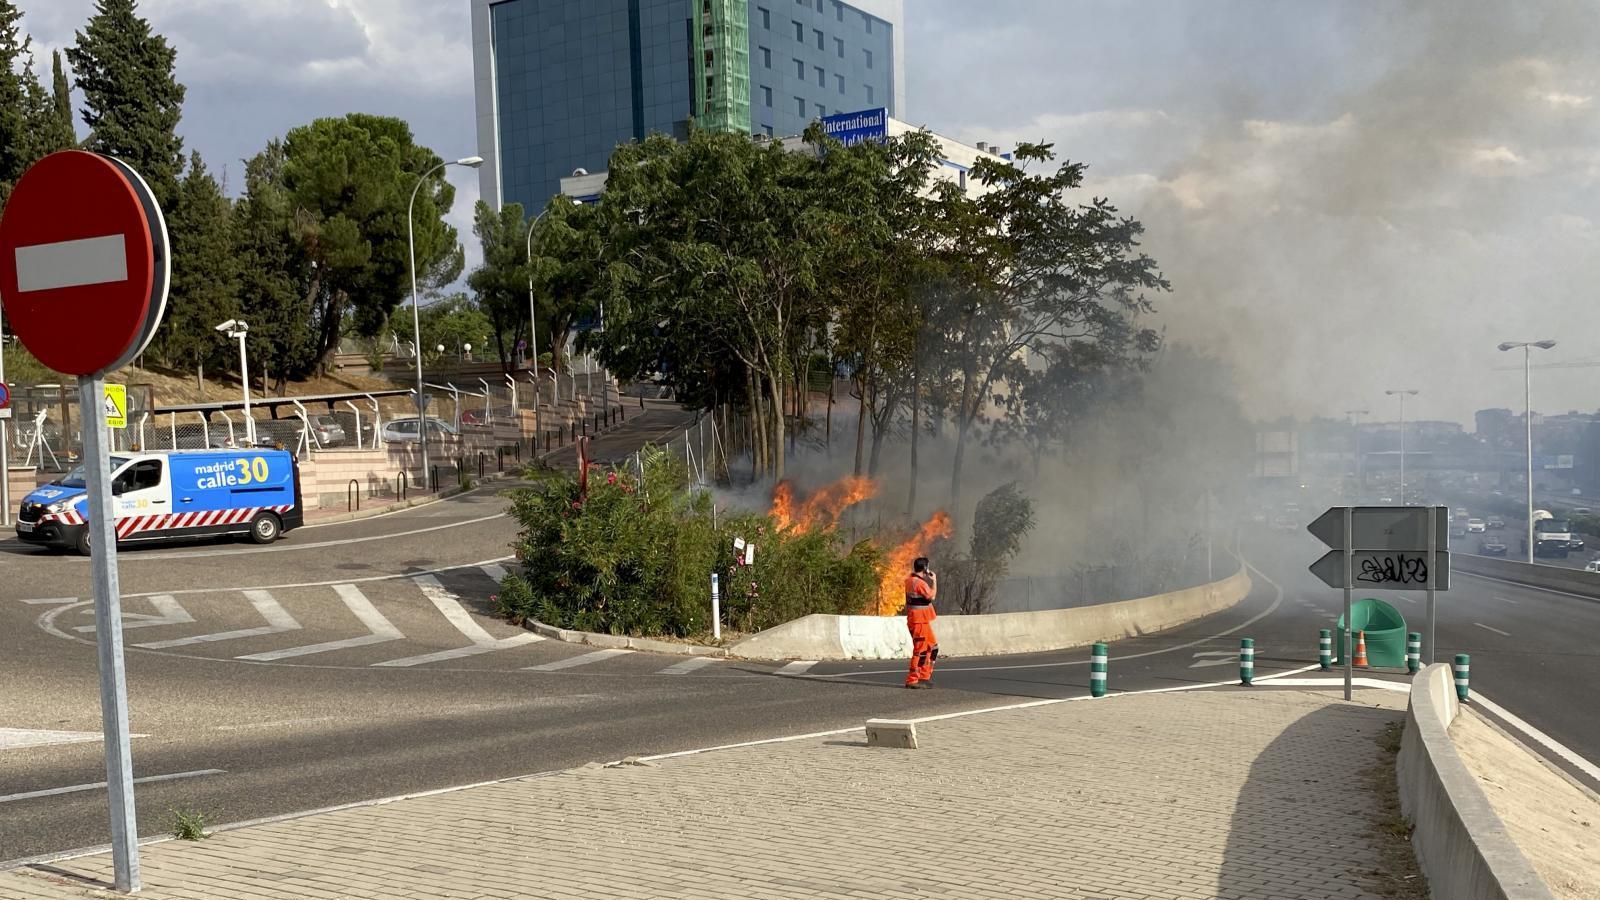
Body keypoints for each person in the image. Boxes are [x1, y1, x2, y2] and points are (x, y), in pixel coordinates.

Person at [904, 557, 938, 689]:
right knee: (920, 651)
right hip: (918, 621)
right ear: (925, 568)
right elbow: (932, 596)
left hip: (921, 620)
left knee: (933, 647)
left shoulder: (910, 580)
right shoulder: (919, 583)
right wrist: (934, 581)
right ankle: (912, 679)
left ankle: (924, 676)